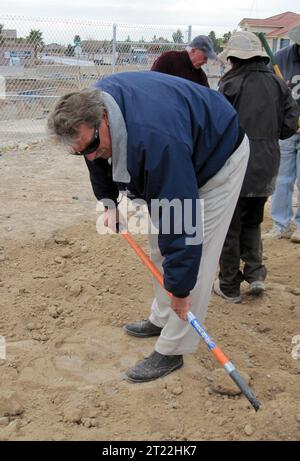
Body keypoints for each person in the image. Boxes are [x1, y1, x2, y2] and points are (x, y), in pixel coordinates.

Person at [47, 70, 249, 382]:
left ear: (102, 118)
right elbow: (96, 157)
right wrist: (108, 200)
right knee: (159, 241)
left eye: (92, 145)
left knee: (197, 253)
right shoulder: (93, 117)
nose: (90, 154)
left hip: (217, 158)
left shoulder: (155, 141)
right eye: (81, 152)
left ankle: (173, 349)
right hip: (182, 146)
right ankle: (163, 315)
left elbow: (183, 225)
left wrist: (181, 290)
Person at [213, 31, 299, 303]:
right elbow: (290, 124)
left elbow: (218, 128)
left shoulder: (229, 85)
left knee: (230, 226)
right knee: (253, 220)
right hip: (267, 163)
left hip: (236, 164)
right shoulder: (277, 83)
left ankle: (229, 285)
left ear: (234, 58)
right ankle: (255, 274)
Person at [266, 25, 300, 242]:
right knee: (282, 178)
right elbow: (270, 92)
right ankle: (281, 224)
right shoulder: (278, 59)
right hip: (286, 129)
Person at [151, 35, 217, 87]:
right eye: (205, 57)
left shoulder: (201, 76)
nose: (206, 62)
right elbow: (152, 83)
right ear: (193, 51)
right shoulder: (168, 59)